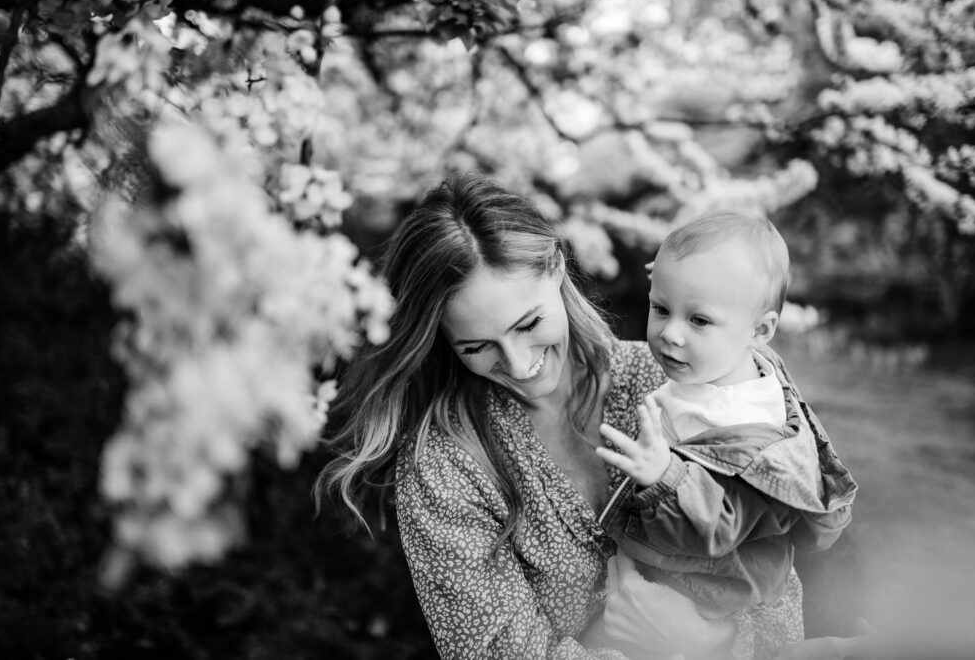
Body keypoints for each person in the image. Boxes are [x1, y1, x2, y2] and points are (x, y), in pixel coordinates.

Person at [315, 172, 870, 659]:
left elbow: (771, 558)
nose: (519, 363)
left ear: (557, 268)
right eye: (476, 346)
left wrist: (717, 646)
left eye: (528, 324)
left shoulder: (671, 382)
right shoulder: (445, 470)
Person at [595, 212, 857, 660]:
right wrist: (685, 286)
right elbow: (719, 301)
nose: (670, 334)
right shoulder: (739, 360)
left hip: (706, 594)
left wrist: (664, 477)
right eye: (661, 308)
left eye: (698, 320)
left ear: (761, 331)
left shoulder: (749, 439)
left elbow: (716, 528)